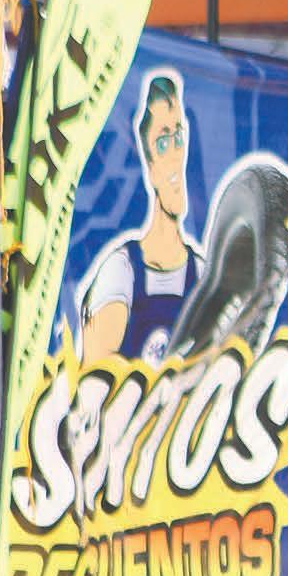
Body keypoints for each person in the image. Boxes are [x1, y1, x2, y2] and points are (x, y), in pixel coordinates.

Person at [80, 69, 201, 364]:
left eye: (178, 137)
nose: (174, 153)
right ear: (147, 160)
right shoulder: (120, 271)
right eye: (162, 142)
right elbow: (94, 375)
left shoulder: (202, 273)